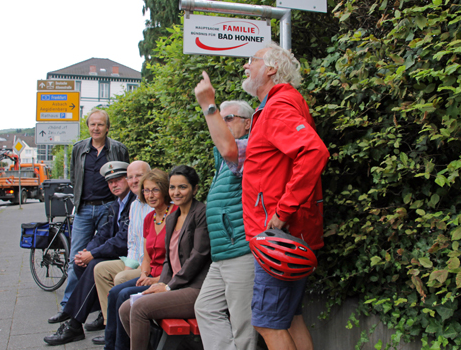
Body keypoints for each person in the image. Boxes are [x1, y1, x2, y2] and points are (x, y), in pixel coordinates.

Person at [241, 42, 330, 350]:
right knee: (291, 318)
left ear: (271, 69)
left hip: (278, 236)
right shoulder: (280, 104)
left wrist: (282, 212)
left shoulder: (278, 106)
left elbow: (314, 152)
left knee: (267, 323)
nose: (245, 66)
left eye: (251, 60)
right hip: (288, 233)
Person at [43, 161, 148, 346]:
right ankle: (102, 314)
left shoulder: (138, 201)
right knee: (81, 263)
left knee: (94, 266)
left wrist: (93, 255)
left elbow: (123, 240)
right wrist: (87, 251)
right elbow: (105, 233)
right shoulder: (119, 204)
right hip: (127, 256)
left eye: (119, 180)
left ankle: (75, 323)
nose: (115, 185)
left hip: (128, 257)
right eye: (110, 182)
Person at [193, 73, 258, 350]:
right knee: (205, 307)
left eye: (228, 117)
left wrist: (210, 105)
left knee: (243, 322)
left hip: (240, 249)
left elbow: (232, 151)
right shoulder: (223, 158)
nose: (222, 121)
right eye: (222, 117)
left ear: (247, 123)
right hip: (223, 253)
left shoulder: (248, 149)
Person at [49, 109, 130, 324]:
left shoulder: (119, 149)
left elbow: (123, 178)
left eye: (100, 124)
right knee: (77, 256)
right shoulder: (79, 149)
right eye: (93, 124)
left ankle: (101, 312)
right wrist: (78, 201)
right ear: (88, 126)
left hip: (108, 208)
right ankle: (68, 307)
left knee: (103, 257)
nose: (96, 128)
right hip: (85, 208)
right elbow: (75, 177)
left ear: (107, 127)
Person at [118, 165, 211, 350]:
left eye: (182, 187)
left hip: (195, 288)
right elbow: (169, 259)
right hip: (175, 285)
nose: (176, 192)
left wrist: (168, 286)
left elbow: (198, 256)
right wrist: (162, 283)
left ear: (195, 189)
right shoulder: (172, 216)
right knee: (125, 308)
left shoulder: (201, 213)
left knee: (139, 308)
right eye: (172, 187)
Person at [93, 169, 177, 349]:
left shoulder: (176, 215)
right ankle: (111, 347)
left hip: (165, 279)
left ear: (164, 190)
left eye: (155, 190)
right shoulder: (150, 218)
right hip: (150, 274)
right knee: (115, 293)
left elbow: (177, 260)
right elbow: (146, 256)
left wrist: (155, 279)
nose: (150, 195)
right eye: (146, 191)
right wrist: (144, 273)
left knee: (124, 294)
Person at [92, 162, 155, 336]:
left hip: (151, 265)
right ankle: (109, 324)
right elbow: (133, 243)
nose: (134, 181)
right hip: (136, 261)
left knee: (121, 278)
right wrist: (129, 266)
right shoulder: (135, 205)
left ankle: (122, 330)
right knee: (100, 269)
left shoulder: (156, 203)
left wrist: (135, 270)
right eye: (130, 177)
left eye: (139, 176)